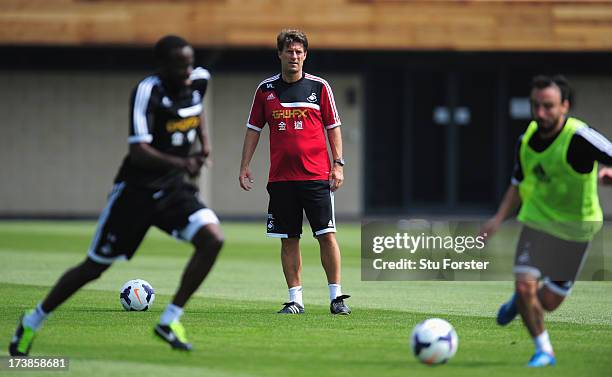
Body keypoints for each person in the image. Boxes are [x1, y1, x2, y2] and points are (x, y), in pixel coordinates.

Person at [9, 35, 224, 355]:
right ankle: (32, 321)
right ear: (162, 67)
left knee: (213, 239)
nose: (188, 71)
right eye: (180, 66)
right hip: (135, 193)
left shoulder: (199, 80)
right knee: (93, 267)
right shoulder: (146, 91)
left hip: (173, 190)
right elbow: (138, 150)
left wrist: (203, 146)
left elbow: (196, 111)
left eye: (190, 63)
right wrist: (183, 161)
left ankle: (169, 320)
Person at [480, 75, 612, 367]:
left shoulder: (580, 137)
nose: (540, 113)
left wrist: (609, 175)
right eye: (536, 106)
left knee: (549, 302)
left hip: (577, 229)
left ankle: (520, 302)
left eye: (548, 106)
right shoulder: (526, 140)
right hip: (538, 222)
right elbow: (517, 183)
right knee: (525, 286)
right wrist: (498, 219)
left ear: (564, 106)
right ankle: (544, 350)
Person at [238, 29, 351, 315]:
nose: (294, 56)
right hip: (281, 179)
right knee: (289, 239)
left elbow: (333, 128)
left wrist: (338, 164)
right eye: (289, 51)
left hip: (316, 177)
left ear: (305, 56)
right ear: (280, 54)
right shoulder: (265, 90)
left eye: (299, 52)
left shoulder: (320, 87)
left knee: (326, 235)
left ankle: (336, 298)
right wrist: (245, 165)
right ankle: (295, 300)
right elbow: (253, 129)